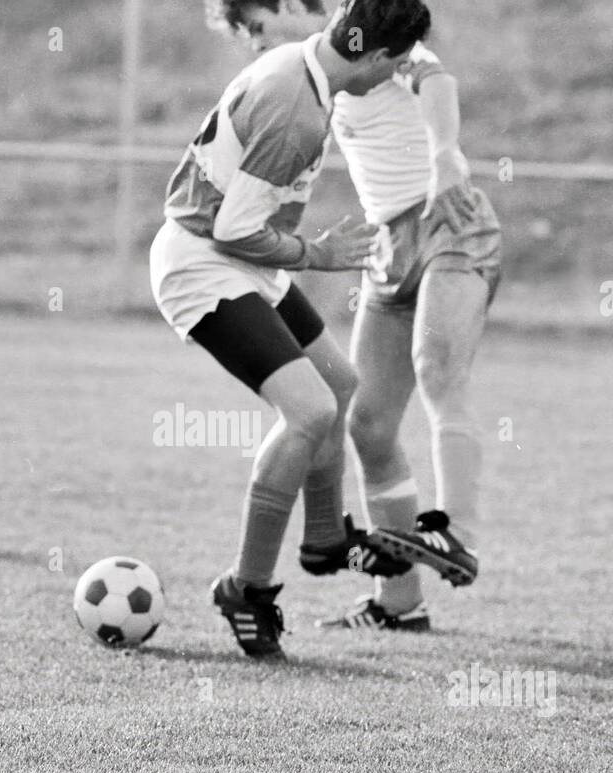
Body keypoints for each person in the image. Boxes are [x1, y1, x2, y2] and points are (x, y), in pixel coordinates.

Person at [206, 0, 503, 631]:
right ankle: (400, 605)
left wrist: (446, 154)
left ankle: (456, 533)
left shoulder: (366, 34)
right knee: (367, 423)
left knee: (437, 368)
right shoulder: (306, 75)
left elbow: (434, 78)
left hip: (449, 223)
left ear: (291, 7)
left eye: (258, 26)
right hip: (387, 245)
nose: (255, 43)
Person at [150, 0, 433, 657]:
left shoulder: (304, 74)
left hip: (237, 263)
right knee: (307, 411)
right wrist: (318, 255)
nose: (391, 78)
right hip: (201, 264)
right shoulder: (296, 106)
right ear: (377, 56)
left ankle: (326, 537)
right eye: (395, 66)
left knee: (340, 382)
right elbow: (234, 229)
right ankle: (245, 588)